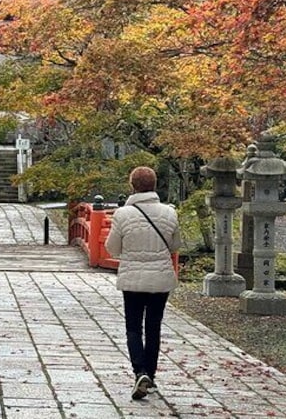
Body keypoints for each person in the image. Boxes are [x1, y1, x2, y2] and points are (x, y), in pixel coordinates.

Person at [104, 166, 181, 400]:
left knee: (133, 327)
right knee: (154, 327)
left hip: (133, 278)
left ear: (132, 186)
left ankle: (140, 371)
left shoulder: (123, 214)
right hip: (160, 278)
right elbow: (175, 245)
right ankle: (151, 376)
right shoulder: (169, 213)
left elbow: (112, 248)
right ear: (155, 185)